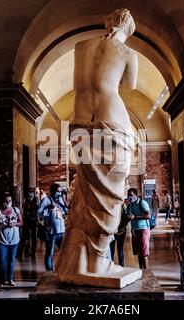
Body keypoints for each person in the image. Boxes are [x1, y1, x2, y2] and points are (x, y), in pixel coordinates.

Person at [55, 9, 139, 283]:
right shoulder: (127, 52)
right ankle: (99, 261)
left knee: (86, 197)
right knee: (108, 198)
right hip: (112, 122)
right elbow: (130, 86)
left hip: (79, 125)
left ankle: (79, 261)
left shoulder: (82, 47)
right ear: (128, 29)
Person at [0, 192, 23, 289]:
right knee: (2, 260)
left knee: (11, 260)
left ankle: (10, 279)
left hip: (14, 239)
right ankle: (1, 281)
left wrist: (14, 224)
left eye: (10, 201)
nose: (8, 203)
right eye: (6, 201)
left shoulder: (15, 210)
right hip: (1, 239)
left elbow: (21, 222)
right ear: (2, 202)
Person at [37, 183, 68, 271]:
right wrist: (49, 208)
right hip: (51, 232)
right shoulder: (46, 200)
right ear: (52, 191)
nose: (59, 193)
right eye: (58, 191)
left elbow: (66, 211)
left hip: (61, 231)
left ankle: (62, 269)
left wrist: (65, 203)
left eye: (60, 192)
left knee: (64, 252)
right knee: (50, 253)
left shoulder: (61, 199)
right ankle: (49, 272)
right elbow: (39, 213)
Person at [127, 188, 151, 269]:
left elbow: (148, 216)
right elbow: (128, 215)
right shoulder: (130, 205)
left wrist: (136, 217)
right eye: (129, 196)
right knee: (139, 252)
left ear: (136, 195)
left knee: (144, 253)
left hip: (143, 229)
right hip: (134, 230)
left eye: (131, 195)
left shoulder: (142, 203)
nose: (130, 197)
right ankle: (141, 271)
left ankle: (147, 273)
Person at [17, 187, 38, 259]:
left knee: (33, 236)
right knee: (24, 236)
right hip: (26, 220)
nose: (30, 194)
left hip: (34, 220)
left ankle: (33, 252)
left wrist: (37, 218)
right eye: (29, 192)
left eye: (31, 192)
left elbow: (38, 210)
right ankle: (20, 252)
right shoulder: (25, 200)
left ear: (33, 193)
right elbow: (22, 209)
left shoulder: (36, 200)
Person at [109, 199, 131, 267]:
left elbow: (126, 218)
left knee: (117, 249)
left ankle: (118, 265)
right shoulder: (122, 206)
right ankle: (117, 265)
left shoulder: (121, 206)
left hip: (118, 230)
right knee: (114, 250)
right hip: (116, 230)